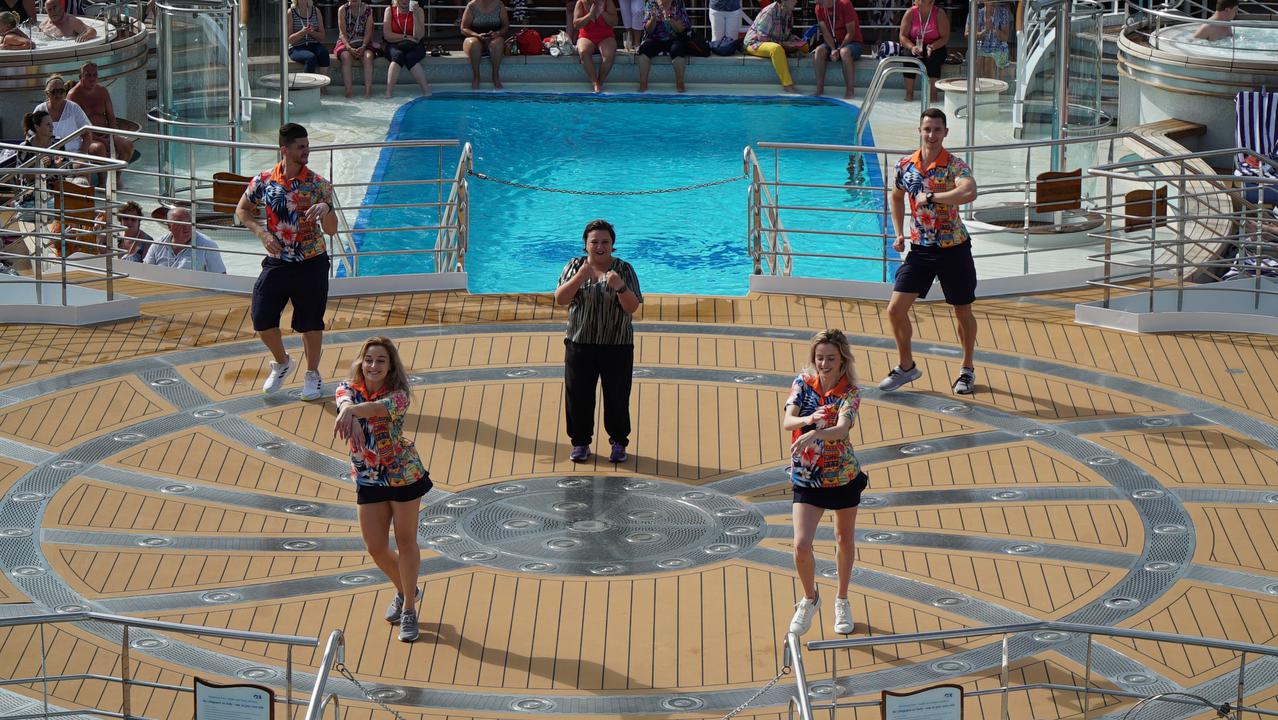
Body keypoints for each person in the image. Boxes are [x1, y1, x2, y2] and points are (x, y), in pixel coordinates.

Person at [333, 336, 430, 643]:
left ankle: (409, 609)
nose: (373, 365)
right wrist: (348, 409)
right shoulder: (348, 389)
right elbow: (343, 398)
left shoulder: (398, 396)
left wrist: (351, 413)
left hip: (403, 475)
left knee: (405, 540)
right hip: (368, 476)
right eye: (369, 360)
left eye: (381, 361)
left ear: (390, 367)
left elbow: (375, 409)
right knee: (375, 546)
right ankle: (406, 588)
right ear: (361, 363)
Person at [880, 108, 979, 395]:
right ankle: (906, 367)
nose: (932, 134)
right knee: (895, 309)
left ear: (945, 132)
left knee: (962, 311)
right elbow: (896, 196)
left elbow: (969, 191)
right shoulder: (905, 166)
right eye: (927, 129)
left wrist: (934, 197)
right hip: (920, 249)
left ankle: (967, 368)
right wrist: (898, 232)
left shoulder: (954, 166)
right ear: (919, 131)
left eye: (937, 129)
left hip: (954, 248)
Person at [235, 123, 337, 400]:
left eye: (307, 146)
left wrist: (326, 208)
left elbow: (331, 230)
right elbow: (242, 210)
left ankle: (312, 374)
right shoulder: (264, 180)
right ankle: (282, 362)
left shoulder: (318, 184)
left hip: (311, 261)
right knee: (261, 318)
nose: (307, 151)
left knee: (310, 322)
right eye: (301, 147)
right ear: (284, 149)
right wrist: (262, 233)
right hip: (278, 260)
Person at [784, 329, 867, 637]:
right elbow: (787, 421)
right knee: (801, 544)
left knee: (844, 539)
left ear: (842, 360)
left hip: (842, 475)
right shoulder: (802, 384)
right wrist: (808, 422)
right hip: (807, 476)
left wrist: (817, 434)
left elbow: (842, 428)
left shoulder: (850, 393)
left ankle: (842, 599)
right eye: (820, 358)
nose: (824, 364)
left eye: (831, 358)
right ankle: (810, 598)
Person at [552, 219, 642, 464]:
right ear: (586, 244)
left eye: (605, 242)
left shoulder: (624, 269)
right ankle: (580, 443)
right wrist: (580, 278)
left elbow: (632, 307)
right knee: (578, 396)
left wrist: (620, 287)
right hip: (580, 343)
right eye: (595, 242)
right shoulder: (575, 266)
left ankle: (618, 442)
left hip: (617, 345)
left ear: (613, 244)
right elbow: (561, 299)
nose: (600, 247)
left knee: (617, 397)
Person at [67, 63, 135, 164]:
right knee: (99, 148)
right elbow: (74, 127)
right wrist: (99, 139)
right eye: (88, 75)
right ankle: (104, 175)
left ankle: (117, 173)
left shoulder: (103, 91)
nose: (92, 78)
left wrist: (111, 135)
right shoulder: (73, 95)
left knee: (127, 145)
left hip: (106, 133)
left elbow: (111, 117)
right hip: (85, 137)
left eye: (95, 75)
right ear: (81, 77)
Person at [33, 75, 107, 158]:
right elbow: (31, 136)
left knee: (98, 149)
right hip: (48, 157)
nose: (58, 94)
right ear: (47, 93)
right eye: (54, 91)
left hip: (74, 155)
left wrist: (82, 153)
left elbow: (87, 133)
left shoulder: (73, 108)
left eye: (61, 91)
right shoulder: (40, 109)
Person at [142, 207, 228, 273]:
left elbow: (221, 277)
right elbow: (146, 272)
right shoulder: (158, 244)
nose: (186, 227)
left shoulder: (208, 246)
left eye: (189, 222)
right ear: (169, 226)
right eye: (181, 224)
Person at [744, 0, 804, 94]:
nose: (796, 1)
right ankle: (787, 85)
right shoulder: (770, 11)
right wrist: (784, 44)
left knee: (805, 46)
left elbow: (786, 34)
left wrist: (794, 40)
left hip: (775, 42)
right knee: (776, 49)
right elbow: (761, 37)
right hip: (755, 43)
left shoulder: (789, 12)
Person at [897, 0, 949, 102]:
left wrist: (932, 47)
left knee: (933, 59)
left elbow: (945, 37)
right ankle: (909, 94)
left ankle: (933, 95)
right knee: (909, 58)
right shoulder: (910, 12)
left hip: (934, 45)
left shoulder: (939, 13)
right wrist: (912, 47)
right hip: (914, 44)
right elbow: (902, 36)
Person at [812, 0, 862, 98]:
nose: (818, 4)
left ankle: (850, 91)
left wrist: (839, 49)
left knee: (844, 52)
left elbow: (851, 33)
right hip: (833, 43)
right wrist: (833, 49)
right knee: (819, 51)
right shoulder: (818, 8)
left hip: (853, 43)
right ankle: (819, 89)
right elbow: (825, 32)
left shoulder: (845, 4)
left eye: (820, 2)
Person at [637, 0, 690, 92]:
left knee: (677, 49)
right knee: (644, 49)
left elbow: (681, 29)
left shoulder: (678, 3)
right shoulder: (651, 3)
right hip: (655, 38)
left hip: (674, 38)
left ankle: (680, 84)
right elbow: (648, 30)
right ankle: (643, 84)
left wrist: (669, 18)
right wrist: (653, 19)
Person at [382, 0, 432, 98]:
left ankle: (426, 90)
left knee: (410, 57)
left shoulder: (419, 11)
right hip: (394, 43)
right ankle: (388, 92)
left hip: (414, 44)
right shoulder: (389, 10)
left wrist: (415, 16)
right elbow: (387, 35)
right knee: (398, 56)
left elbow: (418, 36)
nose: (404, 1)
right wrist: (406, 37)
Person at [460, 0, 509, 89]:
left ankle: (495, 76)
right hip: (475, 38)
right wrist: (477, 35)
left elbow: (505, 27)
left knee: (497, 43)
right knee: (474, 44)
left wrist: (497, 33)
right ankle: (476, 76)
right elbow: (464, 28)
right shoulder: (472, 5)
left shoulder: (499, 4)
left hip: (493, 39)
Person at [334, 0, 378, 97]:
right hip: (346, 42)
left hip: (363, 42)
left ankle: (368, 92)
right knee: (346, 57)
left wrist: (363, 46)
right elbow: (342, 33)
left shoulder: (368, 10)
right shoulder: (342, 10)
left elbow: (368, 32)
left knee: (368, 57)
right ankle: (348, 91)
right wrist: (349, 48)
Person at [573, 0, 618, 93]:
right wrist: (589, 15)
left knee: (609, 55)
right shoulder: (580, 3)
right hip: (586, 36)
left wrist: (603, 12)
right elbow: (576, 25)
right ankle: (595, 82)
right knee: (583, 52)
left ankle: (600, 81)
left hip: (606, 36)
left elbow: (614, 22)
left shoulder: (607, 2)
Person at [288, 0, 332, 77]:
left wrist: (312, 32)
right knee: (310, 58)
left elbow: (322, 37)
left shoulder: (316, 11)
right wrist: (302, 32)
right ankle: (307, 83)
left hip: (313, 44)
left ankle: (322, 83)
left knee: (324, 53)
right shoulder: (291, 12)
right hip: (296, 47)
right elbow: (290, 40)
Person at [972, 0, 1010, 78]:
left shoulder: (1003, 13)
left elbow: (1005, 38)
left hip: (999, 49)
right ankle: (977, 85)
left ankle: (990, 85)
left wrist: (993, 28)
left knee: (989, 61)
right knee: (978, 60)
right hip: (979, 49)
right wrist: (984, 31)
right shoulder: (976, 12)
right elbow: (968, 35)